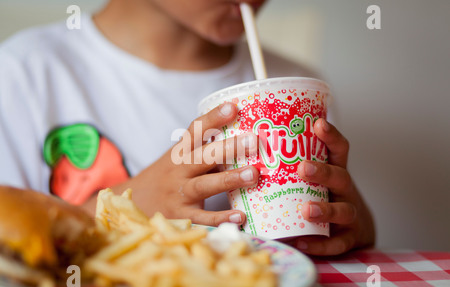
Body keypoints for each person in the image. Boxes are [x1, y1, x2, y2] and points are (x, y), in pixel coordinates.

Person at [0, 0, 375, 256]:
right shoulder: (23, 74)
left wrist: (352, 225)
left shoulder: (296, 88)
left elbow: (352, 237)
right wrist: (121, 210)